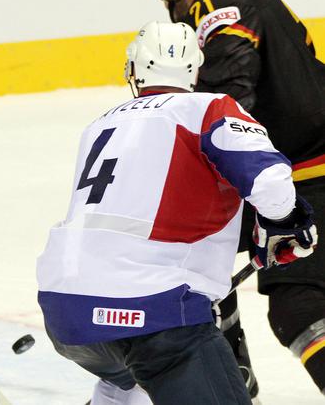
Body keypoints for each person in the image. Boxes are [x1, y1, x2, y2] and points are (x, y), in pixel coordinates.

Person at [37, 21, 318, 405]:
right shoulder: (207, 107)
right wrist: (286, 222)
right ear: (196, 71)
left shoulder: (101, 123)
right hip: (153, 309)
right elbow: (269, 182)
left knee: (130, 375)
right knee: (158, 353)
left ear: (133, 69)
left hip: (66, 313)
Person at [140, 0, 325, 398]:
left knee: (298, 306)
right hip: (297, 168)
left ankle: (220, 373)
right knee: (204, 259)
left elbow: (230, 101)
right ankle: (228, 372)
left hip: (308, 173)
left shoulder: (216, 5)